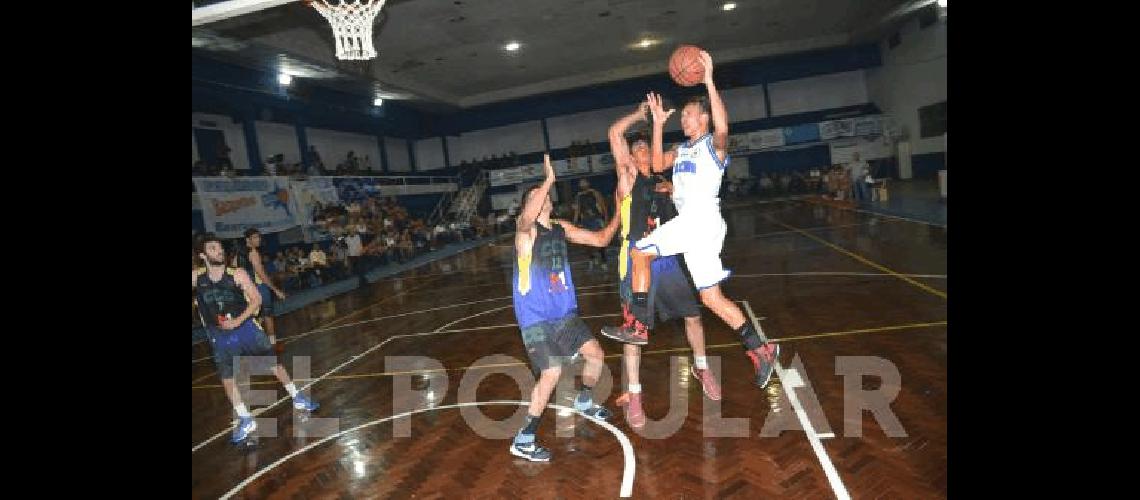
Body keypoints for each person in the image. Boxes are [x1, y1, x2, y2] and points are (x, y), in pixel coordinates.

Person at [603, 51, 780, 389]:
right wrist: (657, 124)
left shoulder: (714, 146)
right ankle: (761, 349)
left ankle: (638, 325)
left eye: (688, 115)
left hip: (700, 219)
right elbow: (656, 164)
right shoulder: (682, 151)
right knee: (711, 298)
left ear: (704, 119)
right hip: (698, 226)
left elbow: (724, 126)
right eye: (681, 116)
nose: (683, 120)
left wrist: (709, 80)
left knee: (640, 251)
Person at [599, 102, 723, 428]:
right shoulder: (626, 178)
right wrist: (642, 117)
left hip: (667, 258)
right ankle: (635, 394)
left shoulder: (667, 184)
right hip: (635, 258)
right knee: (634, 333)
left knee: (694, 316)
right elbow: (614, 133)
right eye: (635, 148)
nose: (640, 151)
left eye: (644, 147)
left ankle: (701, 366)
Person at [509, 154, 624, 462]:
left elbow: (600, 240)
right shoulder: (526, 233)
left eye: (545, 193)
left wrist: (619, 209)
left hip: (565, 316)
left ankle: (584, 401)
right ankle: (524, 438)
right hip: (535, 318)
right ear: (529, 205)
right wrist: (547, 180)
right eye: (536, 196)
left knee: (596, 356)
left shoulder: (559, 227)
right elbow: (524, 220)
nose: (543, 197)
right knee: (552, 372)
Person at [193, 233, 318, 444]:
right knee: (227, 379)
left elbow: (256, 300)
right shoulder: (197, 278)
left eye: (219, 247)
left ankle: (298, 397)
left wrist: (238, 320)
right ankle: (245, 418)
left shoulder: (237, 274)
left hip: (246, 329)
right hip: (219, 336)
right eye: (213, 248)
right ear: (203, 255)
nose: (219, 251)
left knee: (272, 364)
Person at [236, 228, 288, 354]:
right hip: (259, 288)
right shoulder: (253, 252)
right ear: (248, 239)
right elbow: (261, 274)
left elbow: (236, 271)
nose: (258, 239)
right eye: (255, 237)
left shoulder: (238, 254)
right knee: (268, 316)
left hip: (246, 290)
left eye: (259, 237)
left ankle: (249, 345)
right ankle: (272, 345)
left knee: (253, 318)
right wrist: (275, 289)